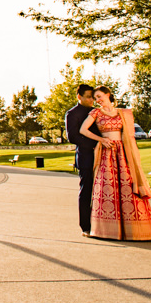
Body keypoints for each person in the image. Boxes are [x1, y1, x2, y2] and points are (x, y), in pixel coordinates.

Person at [79, 85, 151, 241]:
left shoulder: (123, 113)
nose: (98, 100)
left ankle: (133, 231)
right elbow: (83, 130)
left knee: (127, 186)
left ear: (108, 95)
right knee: (108, 188)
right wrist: (102, 139)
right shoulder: (95, 112)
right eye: (96, 98)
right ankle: (108, 231)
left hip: (123, 153)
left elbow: (129, 135)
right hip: (107, 153)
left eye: (100, 96)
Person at [65, 84, 98, 236]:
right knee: (86, 191)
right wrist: (95, 145)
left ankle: (101, 223)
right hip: (86, 157)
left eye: (93, 97)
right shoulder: (72, 113)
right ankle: (86, 226)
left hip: (102, 156)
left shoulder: (97, 111)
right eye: (89, 97)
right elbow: (73, 137)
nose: (92, 100)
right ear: (79, 97)